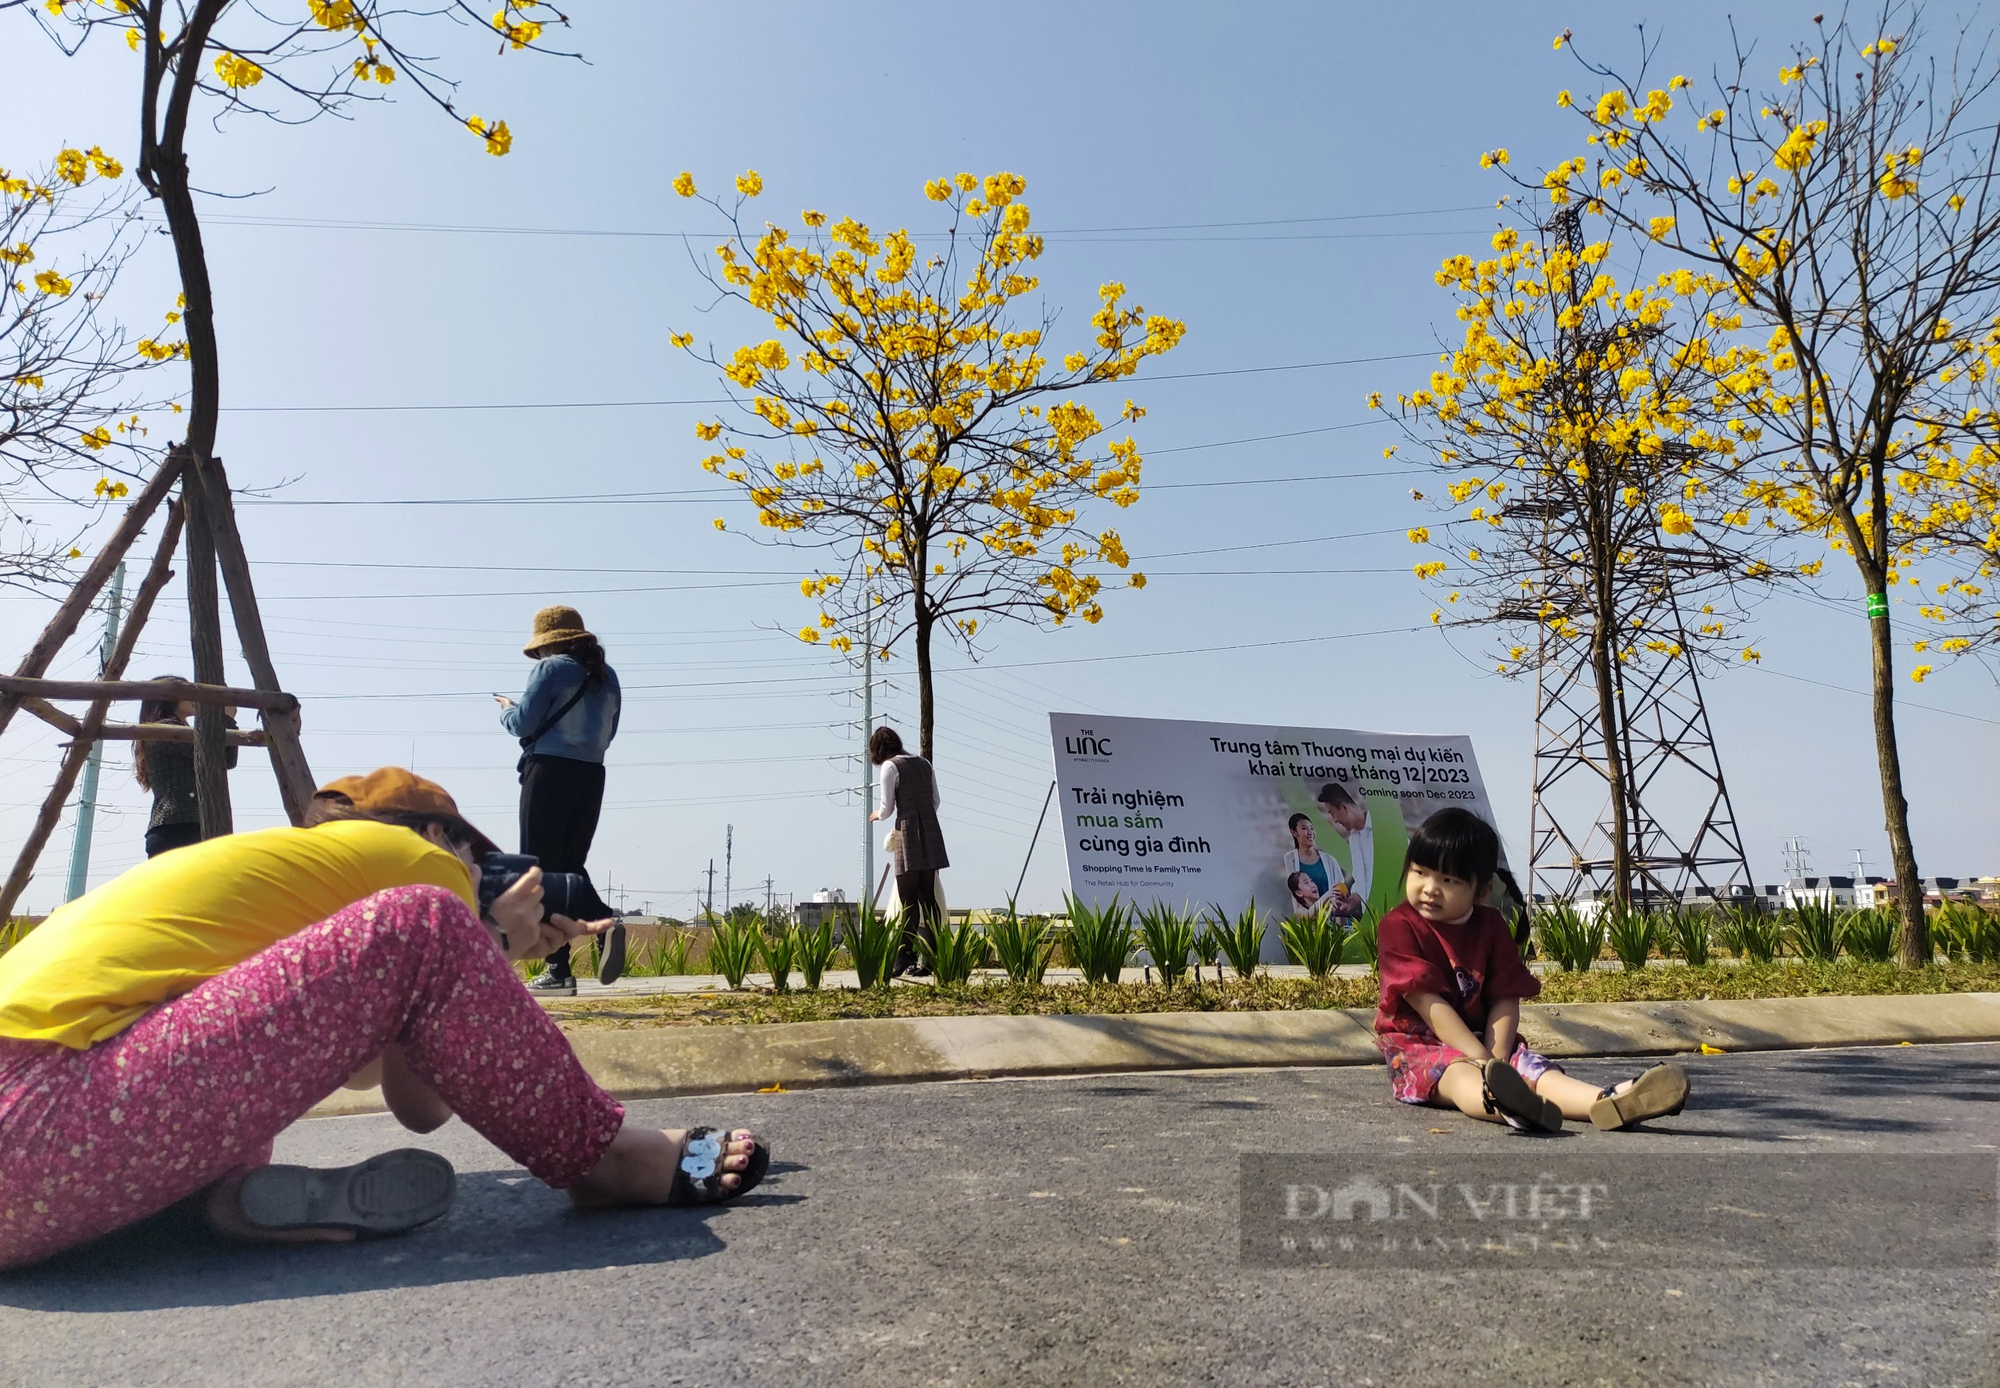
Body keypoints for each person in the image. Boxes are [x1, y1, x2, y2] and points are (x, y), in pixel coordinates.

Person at [0, 766, 768, 1271]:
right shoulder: (413, 860)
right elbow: (430, 941)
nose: (479, 871)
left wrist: (490, 957)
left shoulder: (267, 897)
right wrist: (475, 930)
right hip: (40, 1115)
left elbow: (418, 1106)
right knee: (425, 922)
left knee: (244, 1098)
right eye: (477, 854)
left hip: (45, 1158)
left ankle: (207, 1208)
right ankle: (609, 1161)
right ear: (435, 836)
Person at [1374, 807, 1689, 1133]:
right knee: (1457, 1075)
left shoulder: (1492, 925)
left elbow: (1505, 998)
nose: (1430, 888)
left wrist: (1497, 1059)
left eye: (1449, 880)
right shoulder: (1399, 926)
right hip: (1418, 1042)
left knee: (1536, 1071)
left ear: (1481, 890)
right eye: (1420, 872)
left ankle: (1609, 1101)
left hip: (1485, 1039)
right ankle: (1506, 1103)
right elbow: (1429, 1004)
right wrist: (1482, 1062)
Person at [495, 606, 623, 994]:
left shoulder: (550, 670)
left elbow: (524, 723)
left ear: (547, 645)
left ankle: (560, 967)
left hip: (549, 771)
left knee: (539, 869)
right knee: (569, 864)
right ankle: (600, 930)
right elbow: (610, 731)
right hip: (591, 774)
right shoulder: (608, 676)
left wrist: (506, 710)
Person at [867, 725, 947, 977]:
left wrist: (877, 816)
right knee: (928, 897)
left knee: (908, 898)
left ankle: (903, 955)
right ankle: (934, 956)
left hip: (908, 830)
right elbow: (936, 801)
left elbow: (887, 807)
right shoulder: (924, 763)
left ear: (878, 750)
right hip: (931, 829)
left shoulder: (891, 767)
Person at [130, 677, 237, 857]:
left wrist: (226, 721)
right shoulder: (165, 729)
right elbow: (215, 757)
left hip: (179, 826)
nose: (193, 697)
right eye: (187, 692)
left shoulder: (174, 730)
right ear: (168, 697)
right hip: (179, 826)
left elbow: (226, 760)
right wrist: (225, 720)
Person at [1283, 812, 1356, 919]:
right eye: (1304, 828)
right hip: (1310, 919)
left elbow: (1340, 889)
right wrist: (1300, 918)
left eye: (1312, 828)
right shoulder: (1290, 858)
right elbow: (1294, 891)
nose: (1310, 833)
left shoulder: (1329, 860)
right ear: (1294, 832)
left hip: (1332, 918)